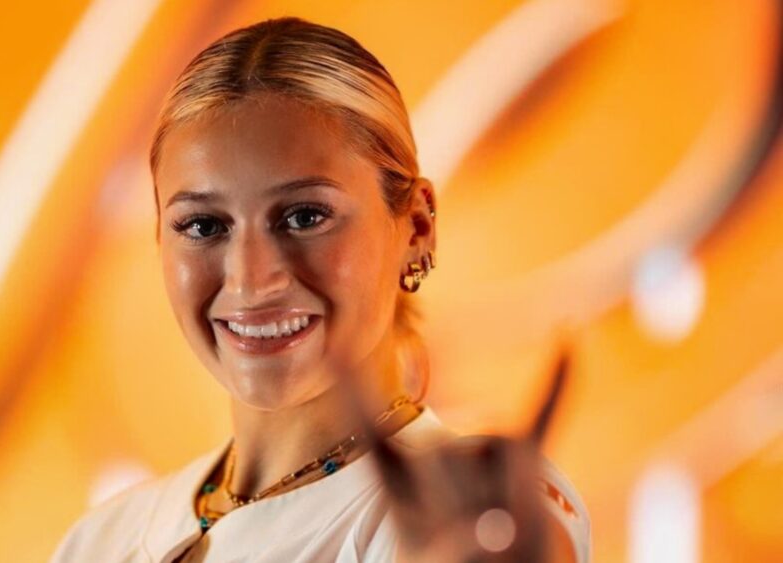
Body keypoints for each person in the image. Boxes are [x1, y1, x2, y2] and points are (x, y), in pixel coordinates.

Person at [51, 17, 589, 562]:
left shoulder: (466, 511)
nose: (251, 278)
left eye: (305, 215)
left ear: (417, 227)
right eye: (203, 226)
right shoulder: (98, 540)